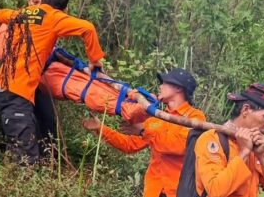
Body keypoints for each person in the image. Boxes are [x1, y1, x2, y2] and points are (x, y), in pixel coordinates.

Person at [0, 0, 105, 165]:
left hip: (4, 85)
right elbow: (88, 28)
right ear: (64, 9)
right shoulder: (54, 18)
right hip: (15, 92)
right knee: (26, 157)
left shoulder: (24, 13)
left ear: (42, 0)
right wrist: (95, 60)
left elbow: (0, 14)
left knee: (36, 137)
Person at [83, 68, 206, 197]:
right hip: (154, 191)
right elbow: (129, 145)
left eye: (164, 83)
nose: (160, 86)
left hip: (178, 192)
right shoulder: (156, 118)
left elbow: (178, 145)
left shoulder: (195, 117)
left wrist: (142, 131)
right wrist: (100, 128)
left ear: (178, 88)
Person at [194, 83, 264, 197]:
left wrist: (263, 155)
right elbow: (215, 191)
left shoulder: (255, 146)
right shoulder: (212, 139)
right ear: (245, 110)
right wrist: (244, 153)